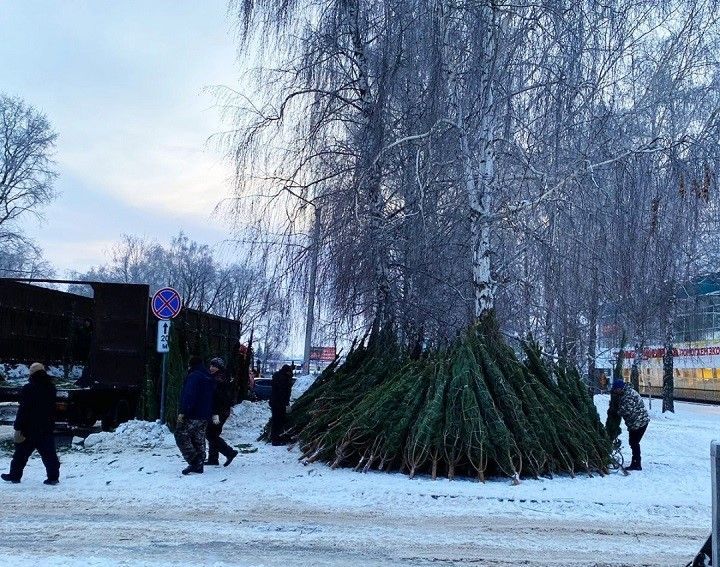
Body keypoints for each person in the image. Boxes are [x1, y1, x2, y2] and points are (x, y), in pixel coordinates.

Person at [2, 363, 60, 485]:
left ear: (32, 374)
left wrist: (18, 426)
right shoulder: (51, 387)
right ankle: (53, 477)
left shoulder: (28, 388)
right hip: (46, 427)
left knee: (20, 454)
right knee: (49, 455)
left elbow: (24, 409)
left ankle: (15, 476)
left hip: (29, 428)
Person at [174, 356, 215, 475]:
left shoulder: (194, 376)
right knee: (199, 438)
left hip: (193, 413)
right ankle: (199, 464)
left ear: (191, 365)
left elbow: (189, 395)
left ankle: (194, 460)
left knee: (180, 434)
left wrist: (183, 411)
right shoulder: (208, 376)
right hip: (205, 414)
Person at [608, 378, 650, 471]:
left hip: (639, 422)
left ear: (620, 388)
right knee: (633, 442)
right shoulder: (626, 392)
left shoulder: (628, 395)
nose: (615, 391)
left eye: (616, 389)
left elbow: (627, 410)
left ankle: (636, 464)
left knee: (634, 442)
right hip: (637, 421)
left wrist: (616, 412)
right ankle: (635, 463)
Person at [205, 357, 238, 467]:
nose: (211, 368)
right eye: (211, 365)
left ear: (219, 367)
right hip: (219, 411)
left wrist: (215, 413)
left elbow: (218, 399)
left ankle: (229, 452)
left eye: (214, 366)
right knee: (213, 433)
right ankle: (213, 459)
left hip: (218, 412)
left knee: (211, 434)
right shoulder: (220, 378)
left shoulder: (219, 380)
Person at [269, 364, 294, 446]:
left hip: (274, 402)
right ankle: (276, 440)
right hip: (280, 404)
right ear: (287, 372)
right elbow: (284, 393)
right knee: (278, 421)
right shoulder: (284, 379)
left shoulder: (277, 376)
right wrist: (286, 404)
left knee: (276, 421)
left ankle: (276, 438)